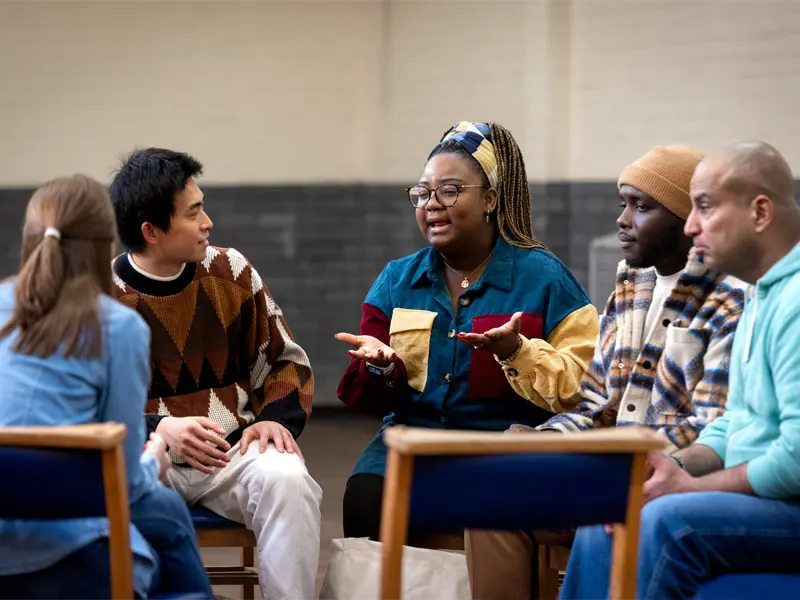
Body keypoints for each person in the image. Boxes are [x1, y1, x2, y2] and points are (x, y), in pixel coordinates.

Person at [467, 146, 747, 599]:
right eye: (623, 203)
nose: (622, 220)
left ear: (686, 218)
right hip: (607, 468)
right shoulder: (630, 286)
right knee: (491, 493)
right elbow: (598, 404)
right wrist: (548, 440)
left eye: (642, 207)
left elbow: (712, 431)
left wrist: (604, 462)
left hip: (667, 481)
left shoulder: (728, 301)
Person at [335, 121, 599, 542]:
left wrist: (518, 352)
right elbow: (366, 400)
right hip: (407, 448)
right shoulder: (397, 280)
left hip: (502, 450)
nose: (431, 204)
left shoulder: (545, 278)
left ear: (491, 199)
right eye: (422, 193)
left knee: (495, 510)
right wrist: (381, 369)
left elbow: (583, 387)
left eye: (450, 191)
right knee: (365, 495)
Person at [560, 141, 800, 599]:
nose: (691, 225)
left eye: (704, 208)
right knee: (612, 511)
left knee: (662, 522)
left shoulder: (794, 301)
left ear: (761, 213)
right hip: (768, 494)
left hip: (788, 501)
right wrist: (669, 470)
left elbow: (795, 460)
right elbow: (734, 422)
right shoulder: (761, 295)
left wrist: (690, 487)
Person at [109, 148, 322, 600]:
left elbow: (285, 358)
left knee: (289, 481)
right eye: (194, 212)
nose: (208, 222)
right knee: (95, 499)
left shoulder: (230, 271)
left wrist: (273, 420)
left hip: (232, 456)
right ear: (151, 231)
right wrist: (159, 428)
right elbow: (84, 405)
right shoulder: (101, 298)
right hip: (144, 461)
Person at [0, 175, 213, 599]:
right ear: (105, 248)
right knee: (167, 513)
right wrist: (155, 460)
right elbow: (124, 484)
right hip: (75, 557)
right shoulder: (118, 327)